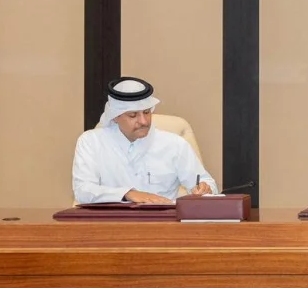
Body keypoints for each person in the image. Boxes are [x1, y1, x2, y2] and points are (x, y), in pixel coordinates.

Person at [72, 77, 217, 204]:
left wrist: (205, 188)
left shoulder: (174, 144)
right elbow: (83, 191)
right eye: (133, 115)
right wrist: (128, 194)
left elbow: (206, 183)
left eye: (147, 112)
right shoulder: (91, 142)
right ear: (115, 117)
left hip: (163, 223)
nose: (143, 121)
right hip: (110, 223)